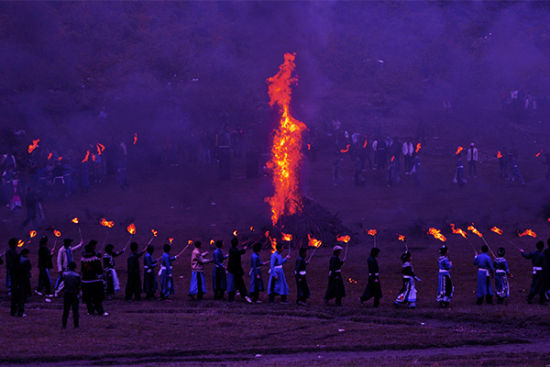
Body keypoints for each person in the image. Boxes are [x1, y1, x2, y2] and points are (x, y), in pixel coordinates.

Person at [81, 241, 107, 316]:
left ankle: (90, 311)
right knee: (97, 298)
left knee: (88, 298)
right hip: (95, 281)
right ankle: (100, 311)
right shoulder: (96, 259)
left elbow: (83, 270)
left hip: (85, 281)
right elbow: (99, 270)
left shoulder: (82, 259)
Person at [227, 237, 252, 303]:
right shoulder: (235, 251)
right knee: (240, 284)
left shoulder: (231, 250)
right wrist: (244, 249)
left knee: (235, 284)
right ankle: (244, 296)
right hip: (236, 271)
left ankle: (242, 296)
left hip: (232, 270)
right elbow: (239, 252)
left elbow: (238, 252)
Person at [61, 262, 80, 329]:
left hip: (66, 293)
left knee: (66, 310)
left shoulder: (64, 274)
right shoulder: (77, 275)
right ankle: (76, 325)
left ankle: (64, 324)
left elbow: (62, 284)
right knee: (75, 310)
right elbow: (79, 285)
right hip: (74, 293)